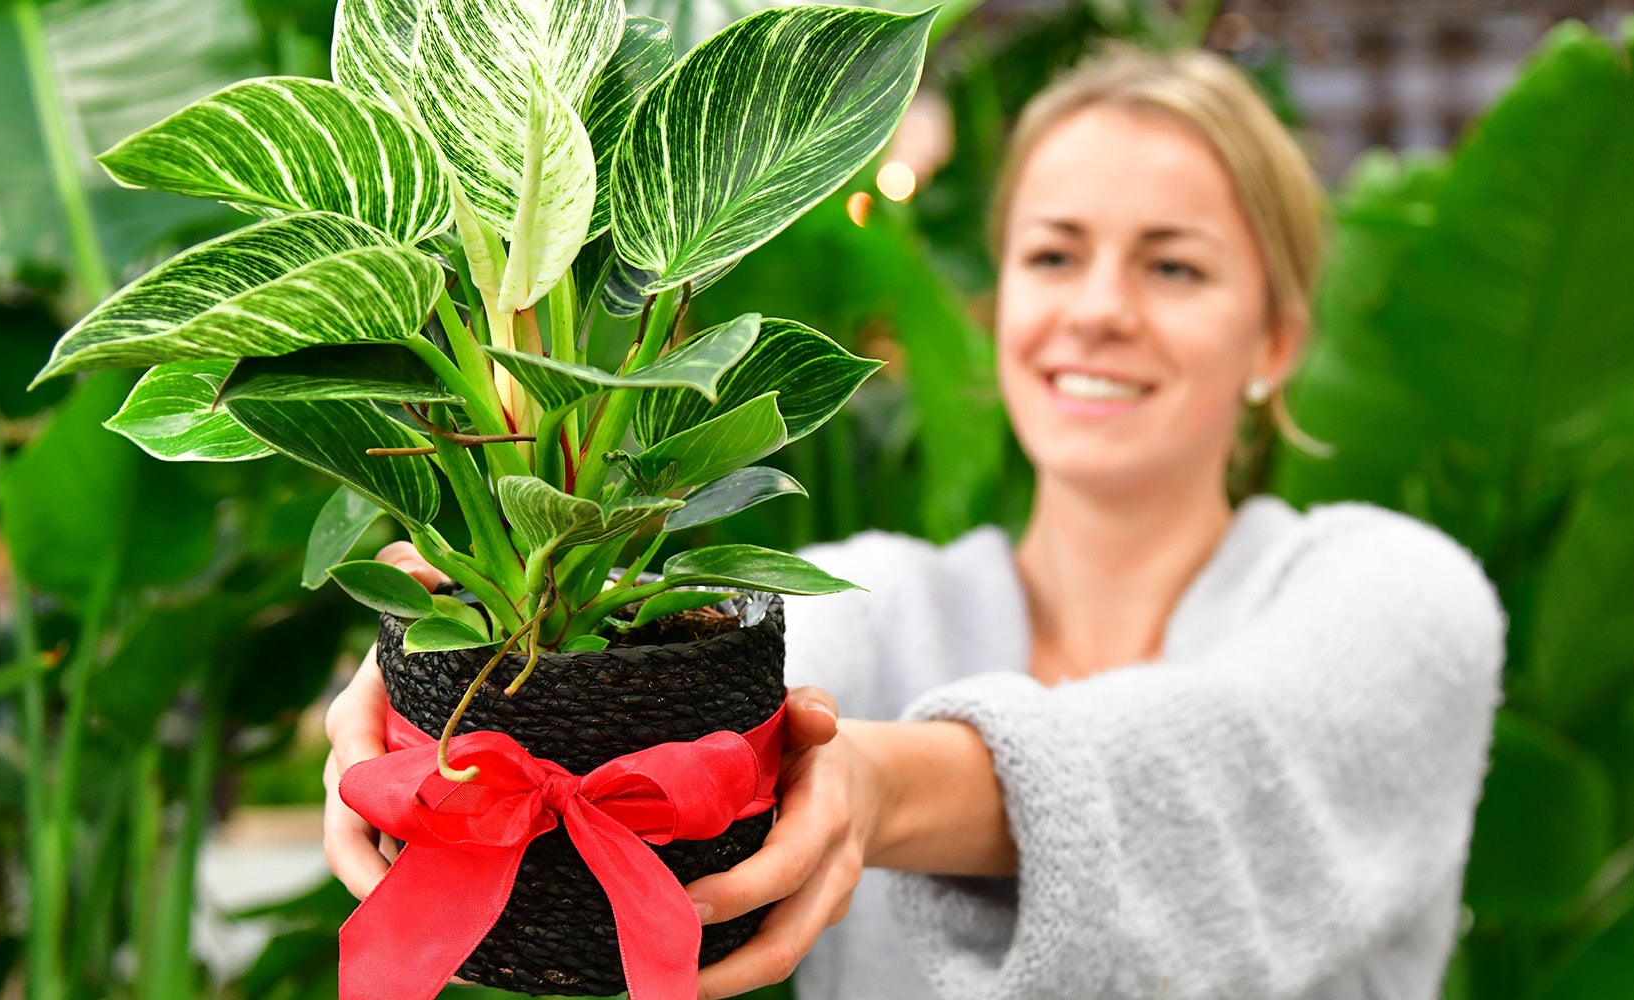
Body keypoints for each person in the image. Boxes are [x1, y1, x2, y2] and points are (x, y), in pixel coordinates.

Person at [323, 44, 1505, 1000]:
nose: (1095, 310)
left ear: (1277, 340)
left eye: (1173, 268)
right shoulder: (877, 606)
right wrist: (430, 694)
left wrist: (877, 786)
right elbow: (704, 697)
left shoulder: (1393, 594)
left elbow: (1216, 759)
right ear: (998, 309)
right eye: (1053, 255)